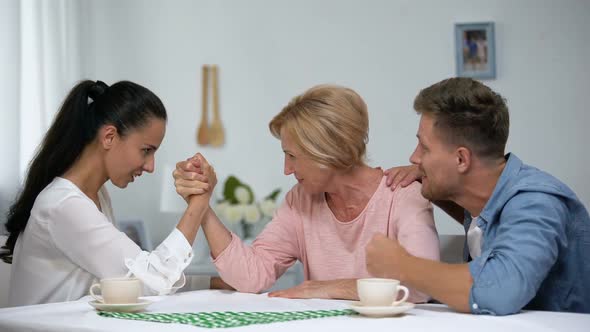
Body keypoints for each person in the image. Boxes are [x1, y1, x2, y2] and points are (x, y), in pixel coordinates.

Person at [173, 84, 439, 302]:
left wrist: (325, 288)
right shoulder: (300, 201)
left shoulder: (403, 194)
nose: (287, 169)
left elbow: (420, 286)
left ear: (328, 151)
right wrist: (203, 206)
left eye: (292, 156)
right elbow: (250, 277)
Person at [367, 77, 590, 315]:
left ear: (461, 159)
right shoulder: (486, 199)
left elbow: (500, 291)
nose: (414, 158)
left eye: (425, 148)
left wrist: (401, 265)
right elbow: (483, 223)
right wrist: (428, 178)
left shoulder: (536, 201)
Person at [1, 80, 216, 306]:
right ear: (109, 137)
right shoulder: (63, 205)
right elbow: (149, 282)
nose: (150, 166)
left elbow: (126, 281)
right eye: (146, 150)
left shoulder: (97, 196)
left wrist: (210, 283)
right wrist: (199, 203)